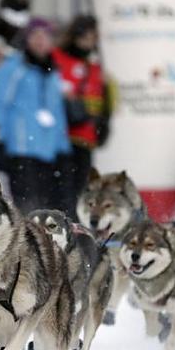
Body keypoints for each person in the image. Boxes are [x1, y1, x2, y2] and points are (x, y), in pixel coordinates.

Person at [0, 18, 71, 213]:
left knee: (48, 202)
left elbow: (56, 110)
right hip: (21, 146)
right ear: (27, 39)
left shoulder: (53, 70)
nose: (40, 41)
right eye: (35, 35)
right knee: (27, 203)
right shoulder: (13, 67)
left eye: (45, 36)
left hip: (49, 147)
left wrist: (62, 144)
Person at [53, 15, 111, 217]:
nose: (88, 42)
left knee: (79, 189)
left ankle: (73, 227)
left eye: (92, 38)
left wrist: (104, 122)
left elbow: (103, 101)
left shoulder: (95, 68)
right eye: (84, 37)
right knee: (61, 189)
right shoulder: (58, 59)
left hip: (85, 138)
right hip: (60, 137)